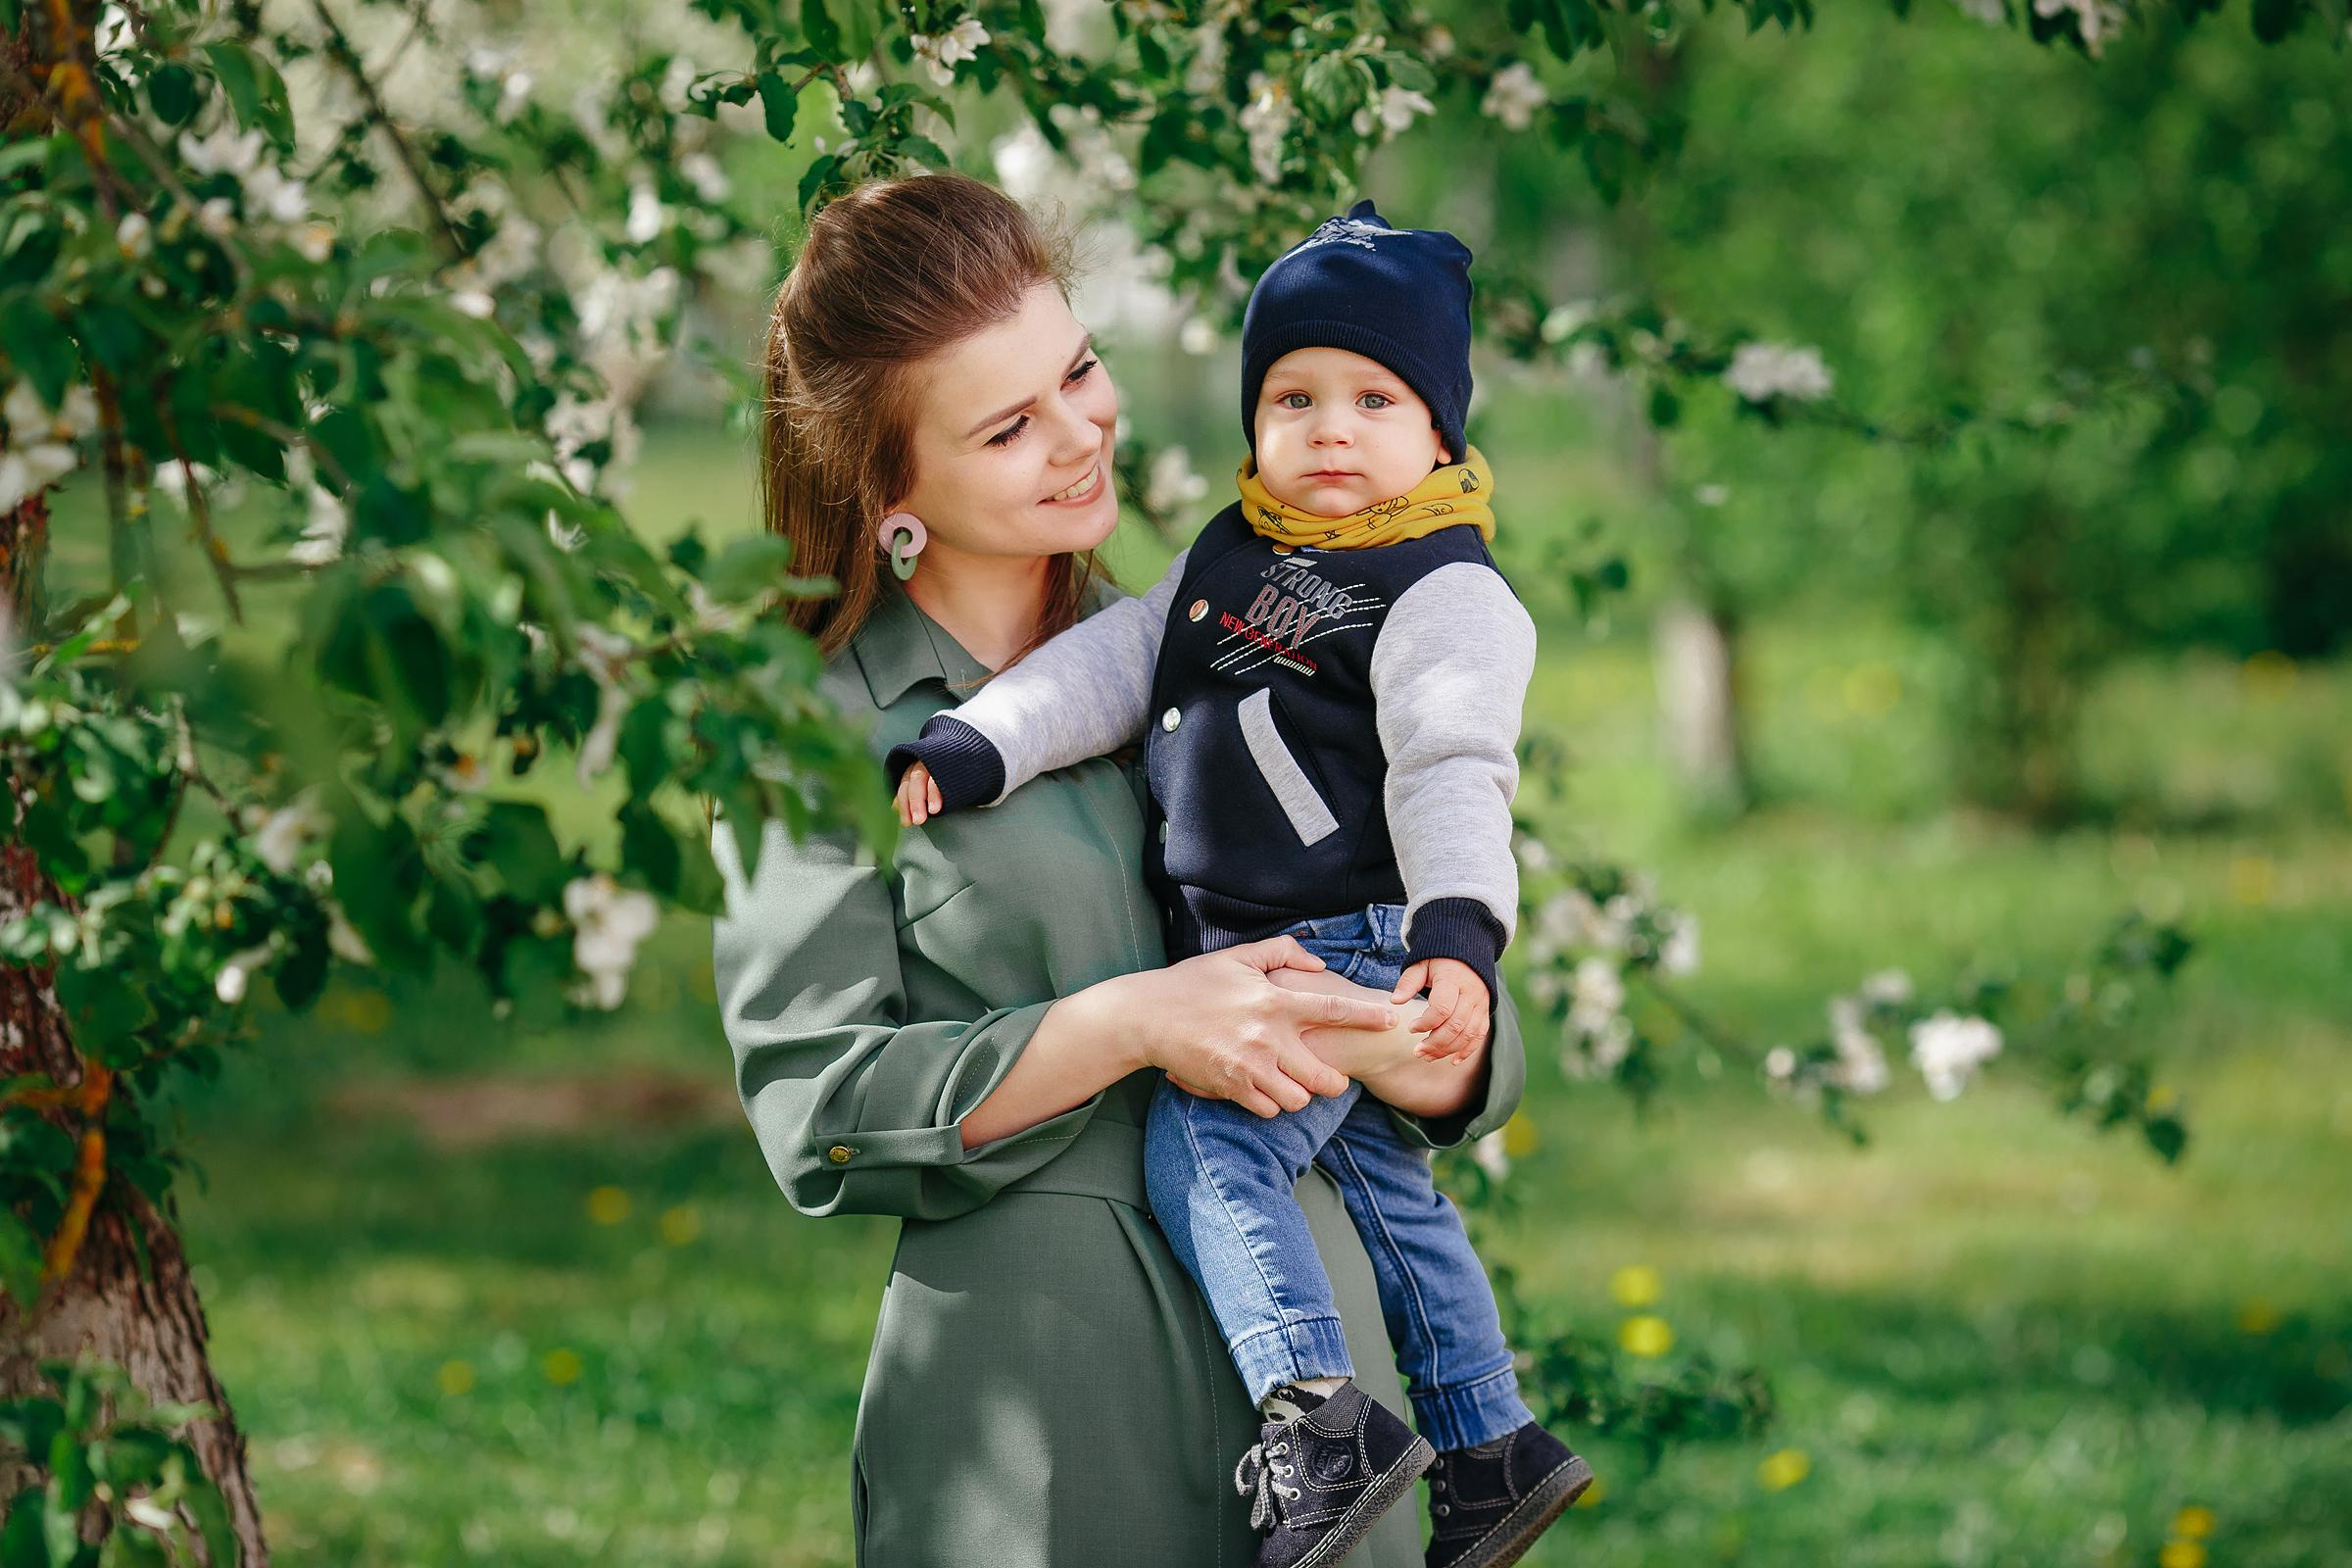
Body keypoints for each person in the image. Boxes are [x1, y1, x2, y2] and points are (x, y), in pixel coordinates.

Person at [712, 171, 1528, 1568]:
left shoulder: (1220, 628)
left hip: (1337, 1406)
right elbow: (819, 1108)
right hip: (1047, 1412)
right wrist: (1132, 1023)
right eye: (1008, 426)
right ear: (889, 485)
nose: (1080, 433)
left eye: (1078, 371)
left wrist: (1432, 1044)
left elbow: (1441, 938)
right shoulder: (817, 735)